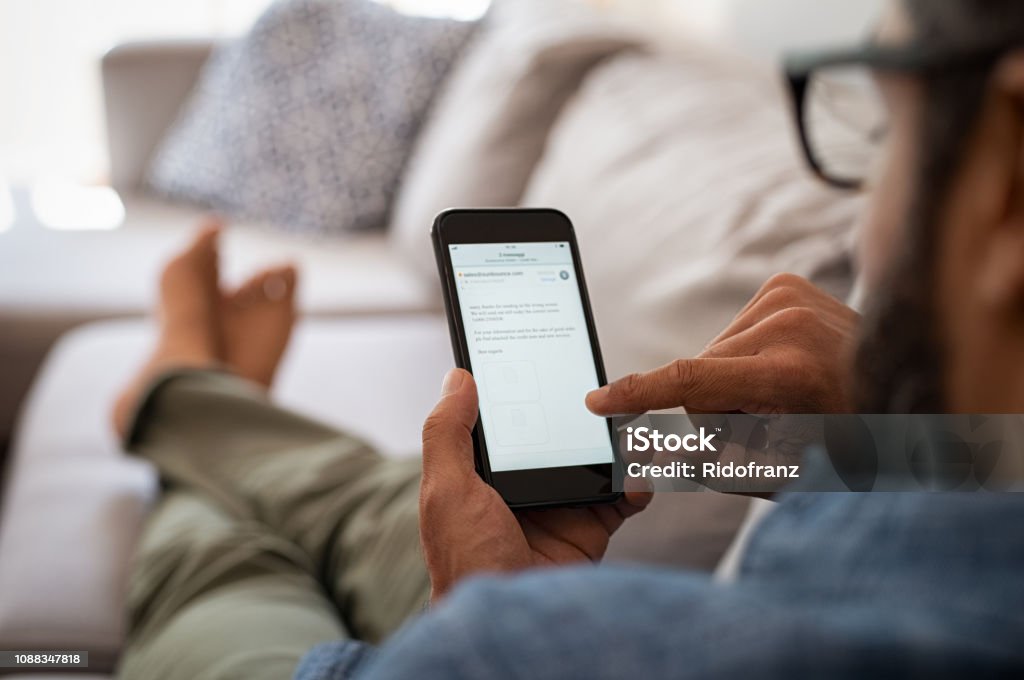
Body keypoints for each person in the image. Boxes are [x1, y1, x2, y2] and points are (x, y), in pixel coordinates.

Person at [114, 0, 1024, 677]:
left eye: (882, 132)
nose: (866, 226)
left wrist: (484, 615)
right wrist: (910, 450)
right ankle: (205, 401)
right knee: (374, 498)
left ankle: (182, 388)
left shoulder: (515, 646)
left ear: (1009, 184)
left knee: (227, 565)